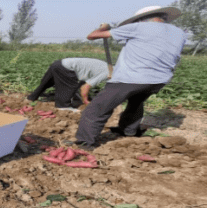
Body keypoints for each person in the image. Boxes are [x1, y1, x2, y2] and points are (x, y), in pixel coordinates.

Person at [74, 5, 186, 149]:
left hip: (130, 78)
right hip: (159, 80)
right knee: (135, 102)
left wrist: (103, 28)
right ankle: (128, 131)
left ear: (141, 19)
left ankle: (84, 142)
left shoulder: (139, 27)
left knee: (97, 109)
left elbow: (92, 35)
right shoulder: (179, 33)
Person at [27, 58, 111, 111]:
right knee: (70, 86)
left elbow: (84, 81)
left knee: (47, 83)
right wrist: (86, 102)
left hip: (59, 63)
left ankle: (31, 97)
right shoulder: (108, 73)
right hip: (67, 67)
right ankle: (63, 106)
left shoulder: (109, 67)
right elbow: (85, 87)